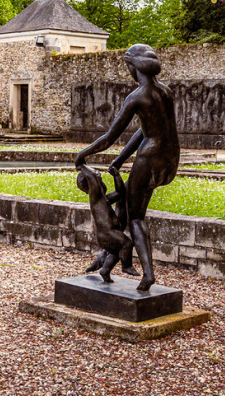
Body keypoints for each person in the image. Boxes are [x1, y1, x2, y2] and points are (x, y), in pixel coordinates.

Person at [75, 44, 180, 291]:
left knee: (136, 218)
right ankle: (105, 260)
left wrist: (82, 154)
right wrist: (121, 160)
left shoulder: (137, 96)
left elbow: (110, 136)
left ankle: (148, 274)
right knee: (125, 205)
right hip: (170, 159)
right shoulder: (166, 92)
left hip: (149, 158)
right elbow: (147, 129)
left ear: (133, 67)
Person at [76, 164, 138, 282]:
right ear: (90, 183)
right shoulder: (95, 197)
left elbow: (121, 192)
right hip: (108, 233)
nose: (98, 175)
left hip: (107, 233)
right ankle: (126, 266)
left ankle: (105, 271)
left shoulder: (104, 199)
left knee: (116, 253)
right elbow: (92, 176)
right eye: (96, 174)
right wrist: (81, 165)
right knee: (127, 244)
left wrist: (116, 176)